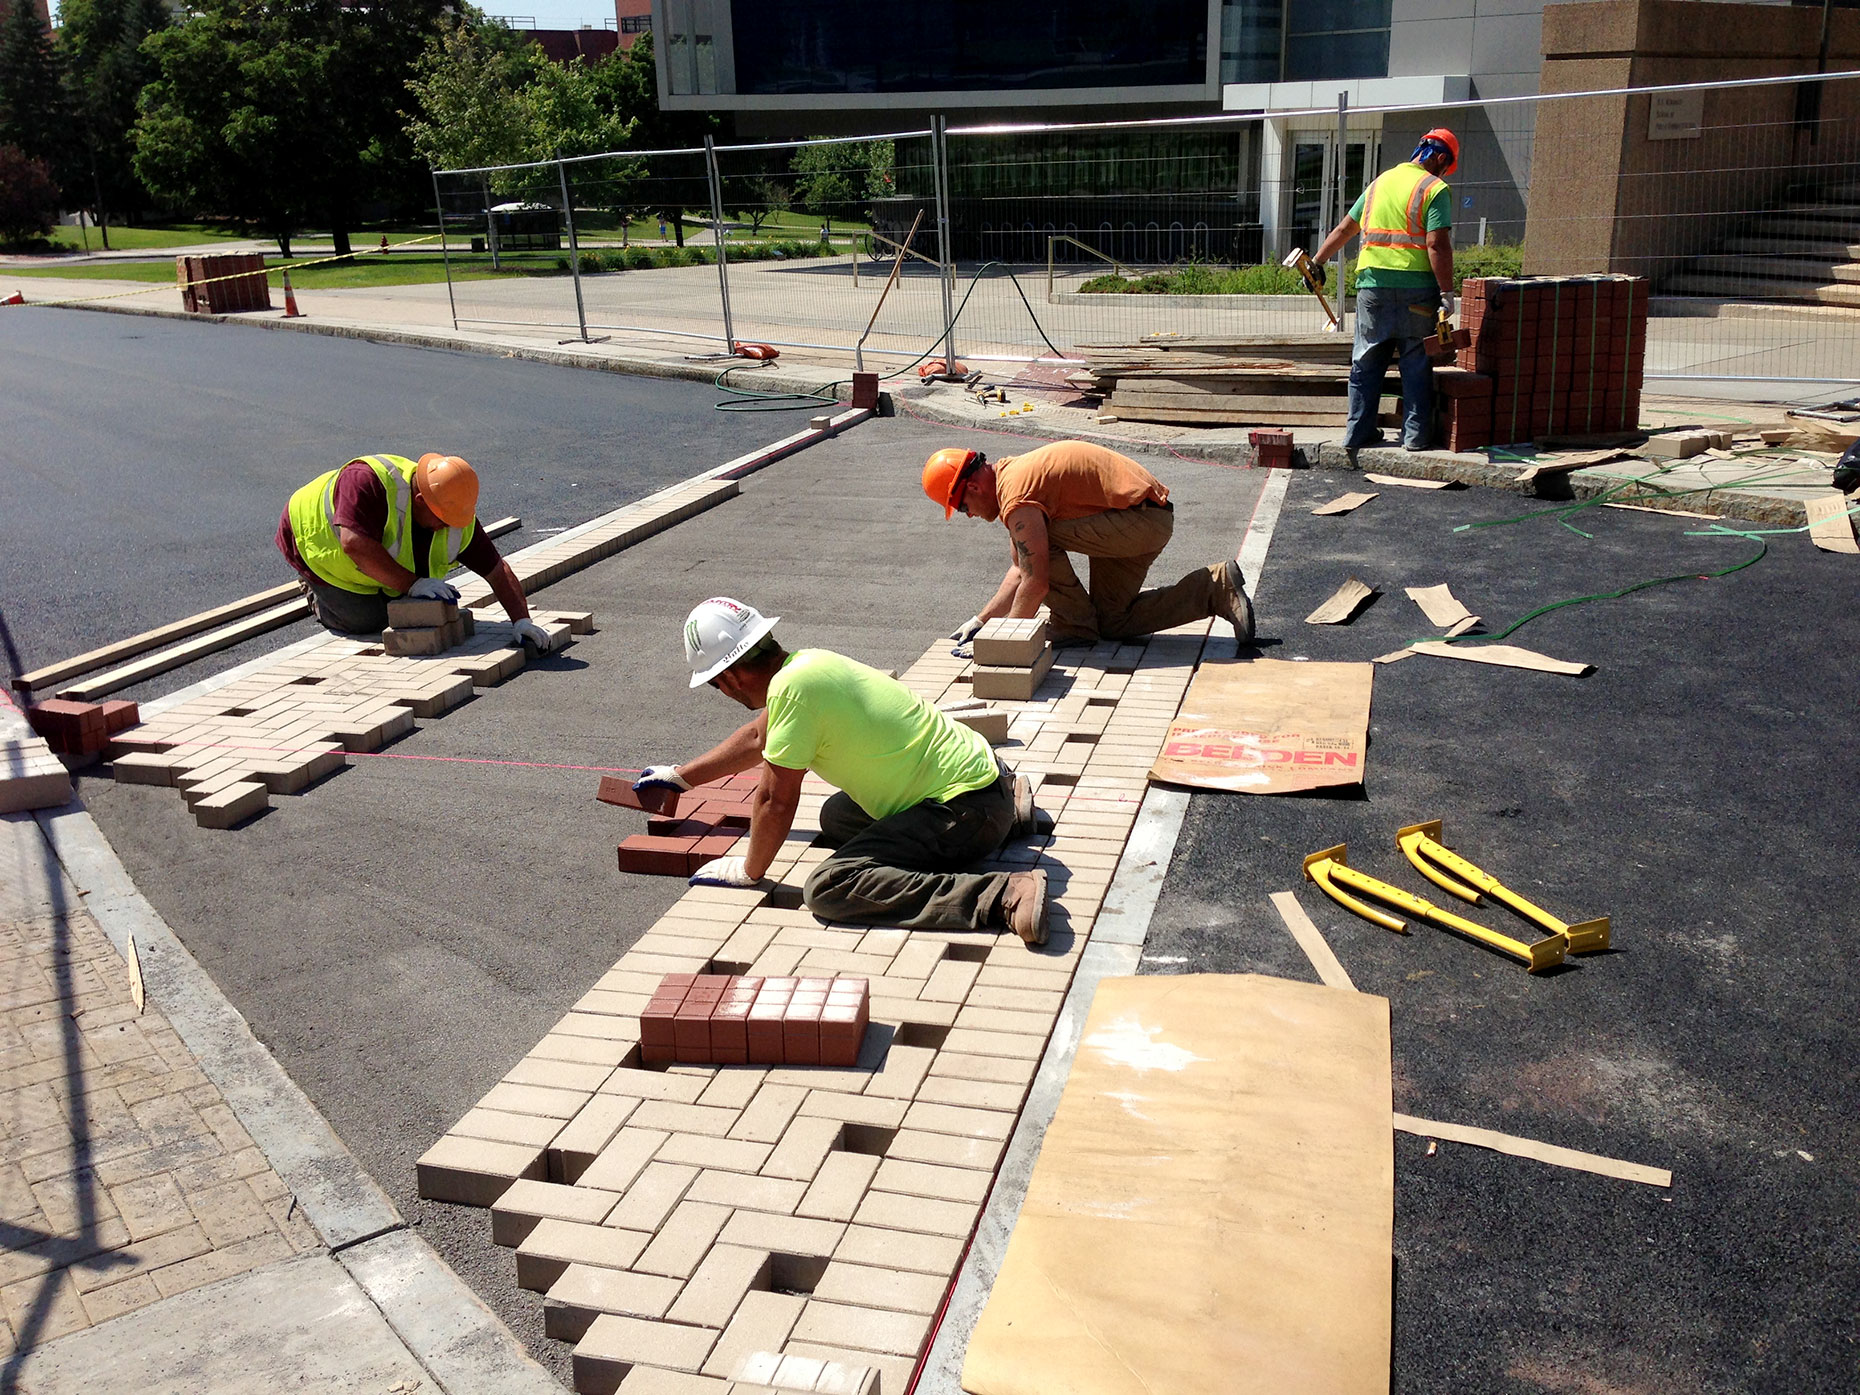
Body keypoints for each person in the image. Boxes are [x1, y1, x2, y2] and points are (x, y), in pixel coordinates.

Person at [634, 598, 1051, 944]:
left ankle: (1000, 895)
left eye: (713, 683)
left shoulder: (793, 692)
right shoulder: (808, 665)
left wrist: (749, 870)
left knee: (831, 887)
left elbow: (775, 800)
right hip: (984, 780)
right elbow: (756, 741)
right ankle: (1009, 812)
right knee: (836, 814)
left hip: (962, 809)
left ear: (729, 676)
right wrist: (681, 776)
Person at [923, 439, 1254, 650]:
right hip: (1139, 521)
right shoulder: (1013, 478)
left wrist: (1004, 643)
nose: (968, 516)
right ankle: (1214, 588)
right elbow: (1019, 569)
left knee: (1039, 543)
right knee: (1112, 623)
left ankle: (1075, 626)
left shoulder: (1016, 495)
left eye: (962, 507)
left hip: (1139, 522)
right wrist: (982, 622)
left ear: (974, 488)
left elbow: (1035, 581)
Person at [275, 451, 554, 648]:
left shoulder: (454, 513)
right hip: (310, 540)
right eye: (442, 521)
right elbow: (354, 544)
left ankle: (388, 586)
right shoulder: (368, 481)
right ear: (420, 500)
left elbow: (496, 571)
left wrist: (521, 621)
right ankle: (314, 592)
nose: (447, 528)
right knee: (368, 621)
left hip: (365, 554)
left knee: (409, 609)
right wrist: (413, 583)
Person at [1311, 128, 1458, 453]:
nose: (1444, 172)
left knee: (1366, 360)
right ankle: (1416, 437)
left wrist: (1317, 262)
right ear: (1441, 158)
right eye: (1446, 166)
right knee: (1416, 360)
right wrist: (1447, 293)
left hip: (1372, 289)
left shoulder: (1379, 184)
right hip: (1416, 290)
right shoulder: (1435, 188)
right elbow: (1437, 243)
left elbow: (1345, 228)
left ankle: (1358, 433)